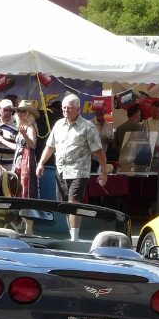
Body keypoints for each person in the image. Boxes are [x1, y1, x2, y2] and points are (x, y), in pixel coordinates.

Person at [37, 93, 108, 241]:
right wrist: (41, 163)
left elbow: (98, 151)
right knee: (65, 205)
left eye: (69, 108)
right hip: (61, 171)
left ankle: (75, 238)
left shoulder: (88, 127)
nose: (65, 110)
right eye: (64, 108)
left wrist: (104, 172)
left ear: (78, 109)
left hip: (79, 171)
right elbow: (50, 147)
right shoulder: (58, 125)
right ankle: (71, 234)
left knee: (73, 202)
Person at [13, 100, 41, 198]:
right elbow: (17, 147)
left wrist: (24, 134)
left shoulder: (30, 127)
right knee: (17, 185)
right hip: (18, 160)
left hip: (27, 160)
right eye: (18, 111)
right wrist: (2, 140)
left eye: (22, 111)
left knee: (25, 185)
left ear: (29, 114)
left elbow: (32, 144)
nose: (19, 113)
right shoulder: (21, 127)